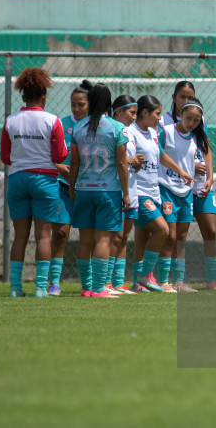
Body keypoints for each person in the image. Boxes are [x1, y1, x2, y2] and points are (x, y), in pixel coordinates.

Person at [1, 67, 68, 297]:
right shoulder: (52, 121)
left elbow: (5, 157)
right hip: (44, 179)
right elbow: (60, 156)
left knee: (20, 236)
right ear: (43, 95)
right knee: (43, 235)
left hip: (18, 178)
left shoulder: (10, 121)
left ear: (23, 95)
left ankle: (15, 288)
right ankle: (41, 288)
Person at [69, 83, 130, 298]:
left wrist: (72, 186)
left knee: (84, 240)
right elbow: (122, 164)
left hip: (84, 189)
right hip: (108, 191)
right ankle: (98, 288)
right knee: (104, 240)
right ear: (110, 104)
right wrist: (127, 193)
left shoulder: (77, 127)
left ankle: (87, 288)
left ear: (90, 102)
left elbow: (74, 162)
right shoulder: (116, 128)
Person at [129, 95, 193, 293]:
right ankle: (146, 274)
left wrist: (181, 171)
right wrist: (132, 160)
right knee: (162, 230)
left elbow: (161, 155)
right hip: (138, 191)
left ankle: (137, 283)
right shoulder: (131, 132)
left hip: (153, 191)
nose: (159, 118)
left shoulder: (153, 132)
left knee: (143, 237)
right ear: (145, 113)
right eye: (157, 114)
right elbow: (123, 155)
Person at [161, 81, 216, 290]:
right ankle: (173, 279)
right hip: (175, 183)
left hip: (199, 184)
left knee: (211, 230)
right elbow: (161, 153)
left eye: (190, 96)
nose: (185, 100)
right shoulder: (165, 123)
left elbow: (206, 149)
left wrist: (210, 177)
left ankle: (212, 279)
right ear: (174, 97)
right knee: (174, 234)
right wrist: (187, 166)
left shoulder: (198, 119)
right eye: (182, 96)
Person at [47, 80, 90, 296]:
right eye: (73, 104)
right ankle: (54, 282)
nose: (76, 108)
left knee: (88, 236)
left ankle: (89, 284)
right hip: (63, 187)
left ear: (90, 104)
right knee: (61, 233)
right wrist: (58, 166)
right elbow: (47, 154)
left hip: (88, 188)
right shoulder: (60, 125)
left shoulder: (96, 126)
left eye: (81, 104)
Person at [107, 95, 142, 295]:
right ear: (118, 111)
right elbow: (110, 158)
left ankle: (118, 283)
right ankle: (106, 282)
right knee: (115, 235)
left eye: (136, 113)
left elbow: (129, 160)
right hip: (116, 188)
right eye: (131, 113)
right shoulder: (111, 128)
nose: (134, 117)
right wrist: (126, 160)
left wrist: (138, 162)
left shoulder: (131, 132)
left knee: (124, 236)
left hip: (131, 188)